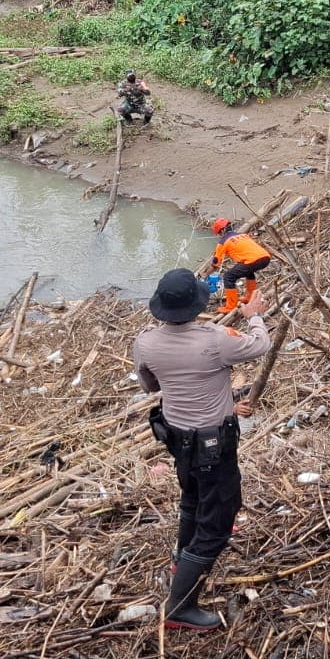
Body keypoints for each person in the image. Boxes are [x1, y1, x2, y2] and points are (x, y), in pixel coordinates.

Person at [134, 269, 273, 630]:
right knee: (217, 522)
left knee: (192, 499)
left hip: (177, 437)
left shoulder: (145, 342)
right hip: (213, 443)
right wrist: (254, 314)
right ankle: (180, 606)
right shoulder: (216, 339)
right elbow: (261, 345)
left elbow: (149, 385)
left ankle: (181, 559)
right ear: (198, 304)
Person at [205, 218, 273, 313]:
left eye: (219, 234)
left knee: (228, 276)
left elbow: (215, 264)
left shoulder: (223, 242)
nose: (219, 236)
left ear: (223, 231)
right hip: (265, 257)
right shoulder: (243, 235)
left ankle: (231, 306)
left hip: (252, 260)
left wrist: (205, 274)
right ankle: (249, 298)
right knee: (248, 271)